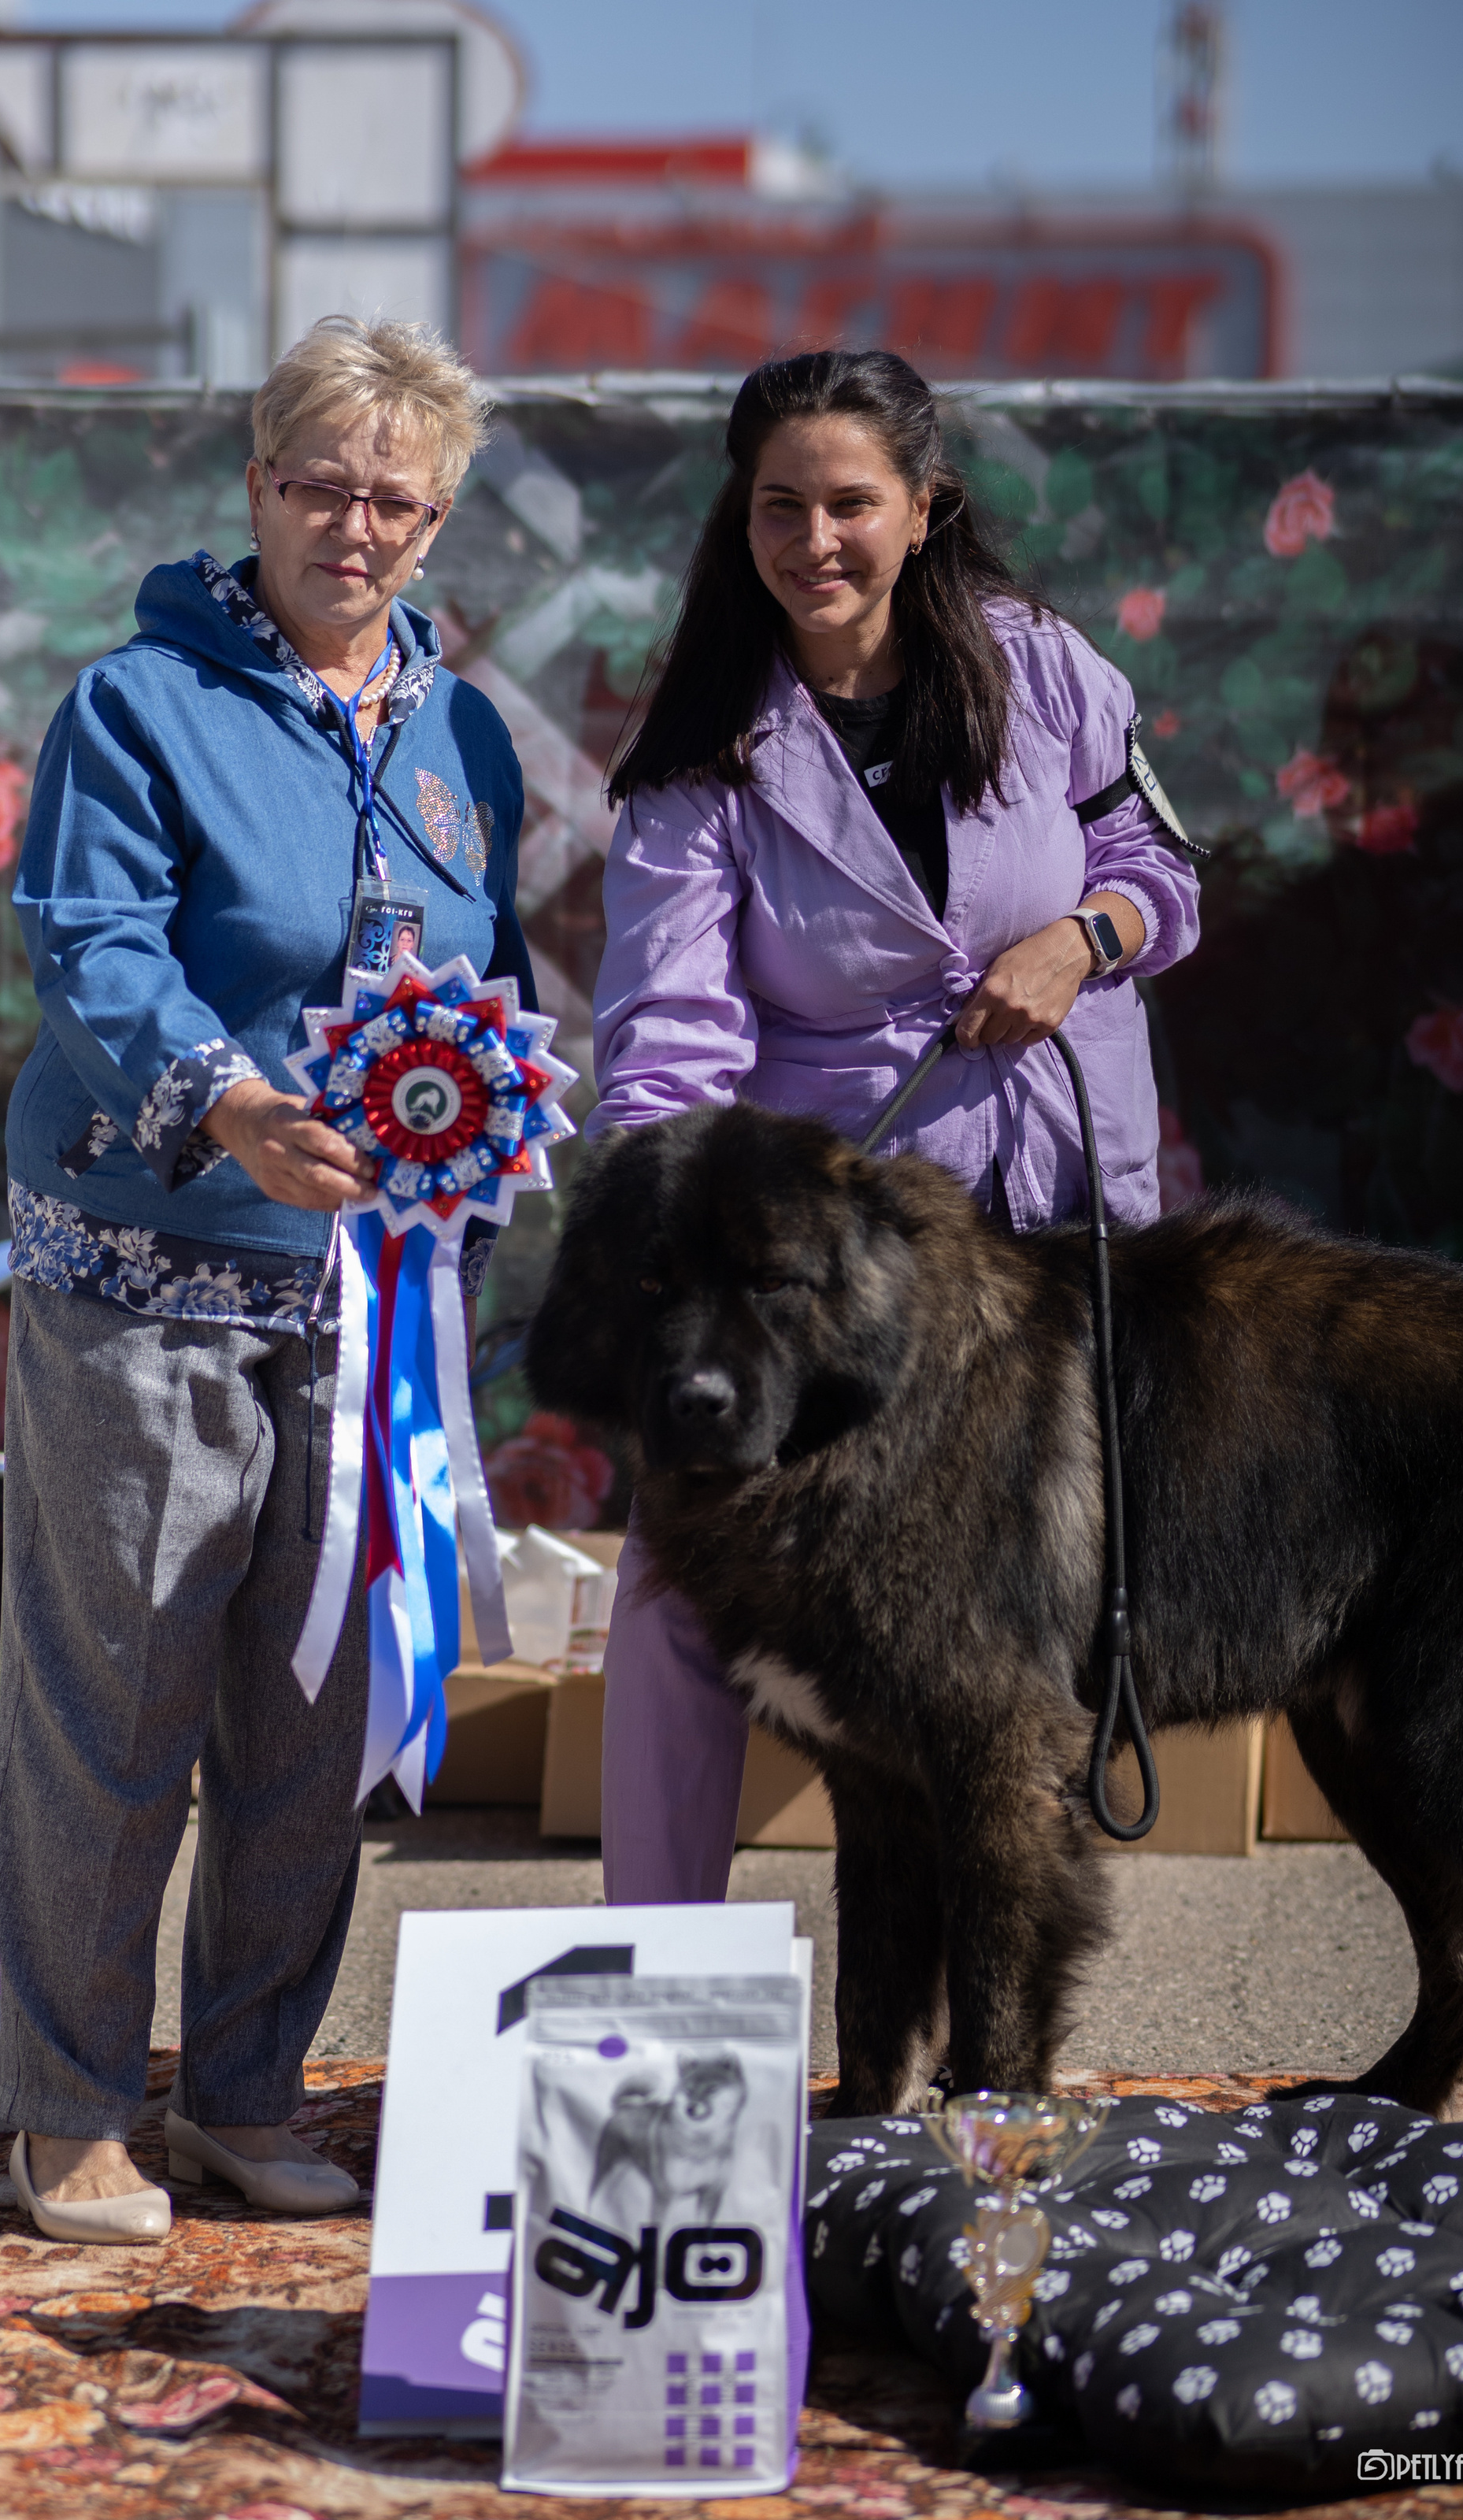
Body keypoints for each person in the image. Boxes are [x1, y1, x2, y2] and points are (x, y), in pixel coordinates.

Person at [0, 316, 532, 2243]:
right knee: (119, 1699)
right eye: (321, 477)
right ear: (254, 478)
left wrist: (481, 1153)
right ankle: (63, 2094)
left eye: (396, 493)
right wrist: (227, 1103)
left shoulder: (463, 732)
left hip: (370, 1294)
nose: (355, 520)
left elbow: (495, 992)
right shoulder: (135, 704)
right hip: (148, 1263)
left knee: (317, 1706)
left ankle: (239, 2086)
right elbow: (88, 941)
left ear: (441, 515)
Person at [590, 349, 1203, 1903]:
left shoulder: (1048, 668)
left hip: (1061, 1206)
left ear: (921, 508)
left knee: (1026, 1585)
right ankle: (652, 1956)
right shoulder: (699, 757)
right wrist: (674, 1220)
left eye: (849, 503)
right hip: (832, 1264)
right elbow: (666, 1027)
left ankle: (993, 2004)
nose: (814, 540)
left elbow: (1156, 862)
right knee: (680, 1580)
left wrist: (1086, 936)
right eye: (778, 506)